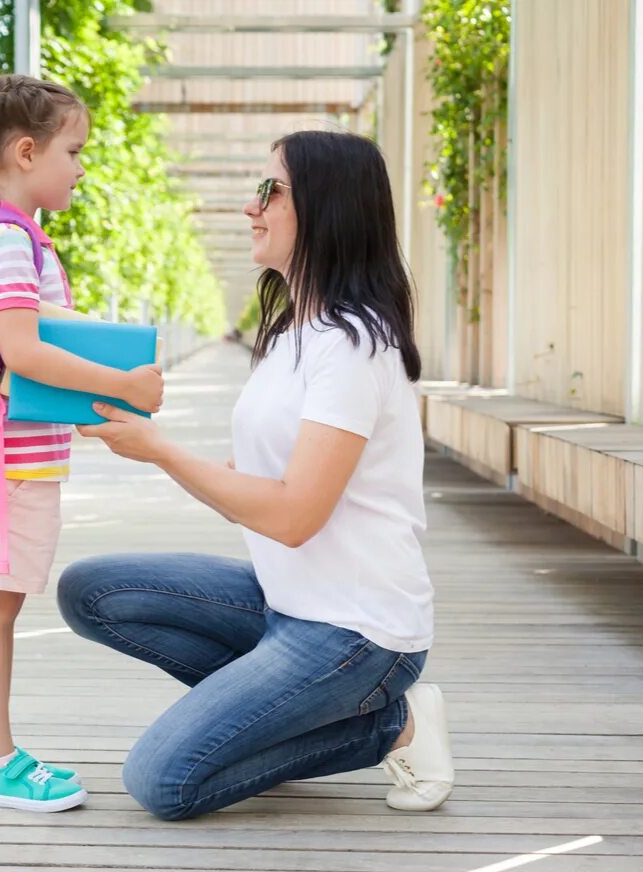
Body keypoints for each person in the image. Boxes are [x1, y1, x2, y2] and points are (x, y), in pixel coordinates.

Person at [59, 130, 454, 820]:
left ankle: (394, 723)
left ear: (327, 208)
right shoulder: (292, 336)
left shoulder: (354, 346)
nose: (251, 206)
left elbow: (293, 517)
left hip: (356, 634)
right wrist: (149, 438)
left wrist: (161, 450)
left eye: (271, 190)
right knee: (90, 591)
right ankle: (280, 719)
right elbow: (256, 490)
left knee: (163, 781)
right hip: (285, 601)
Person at [0, 74, 164, 813]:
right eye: (73, 151)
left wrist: (104, 412)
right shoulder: (10, 241)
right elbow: (21, 351)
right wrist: (126, 383)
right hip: (4, 467)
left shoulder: (15, 236)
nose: (80, 167)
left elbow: (31, 362)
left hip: (16, 463)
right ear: (25, 150)